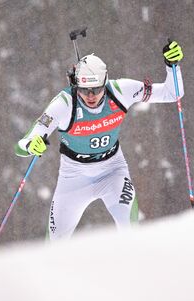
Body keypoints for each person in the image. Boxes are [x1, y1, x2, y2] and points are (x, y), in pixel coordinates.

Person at [14, 40, 184, 240]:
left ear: (105, 82)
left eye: (96, 89)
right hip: (73, 179)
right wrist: (32, 145)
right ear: (76, 85)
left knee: (130, 230)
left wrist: (172, 66)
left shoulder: (121, 91)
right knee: (54, 244)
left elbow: (172, 93)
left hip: (113, 171)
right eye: (85, 90)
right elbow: (23, 144)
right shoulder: (64, 103)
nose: (91, 96)